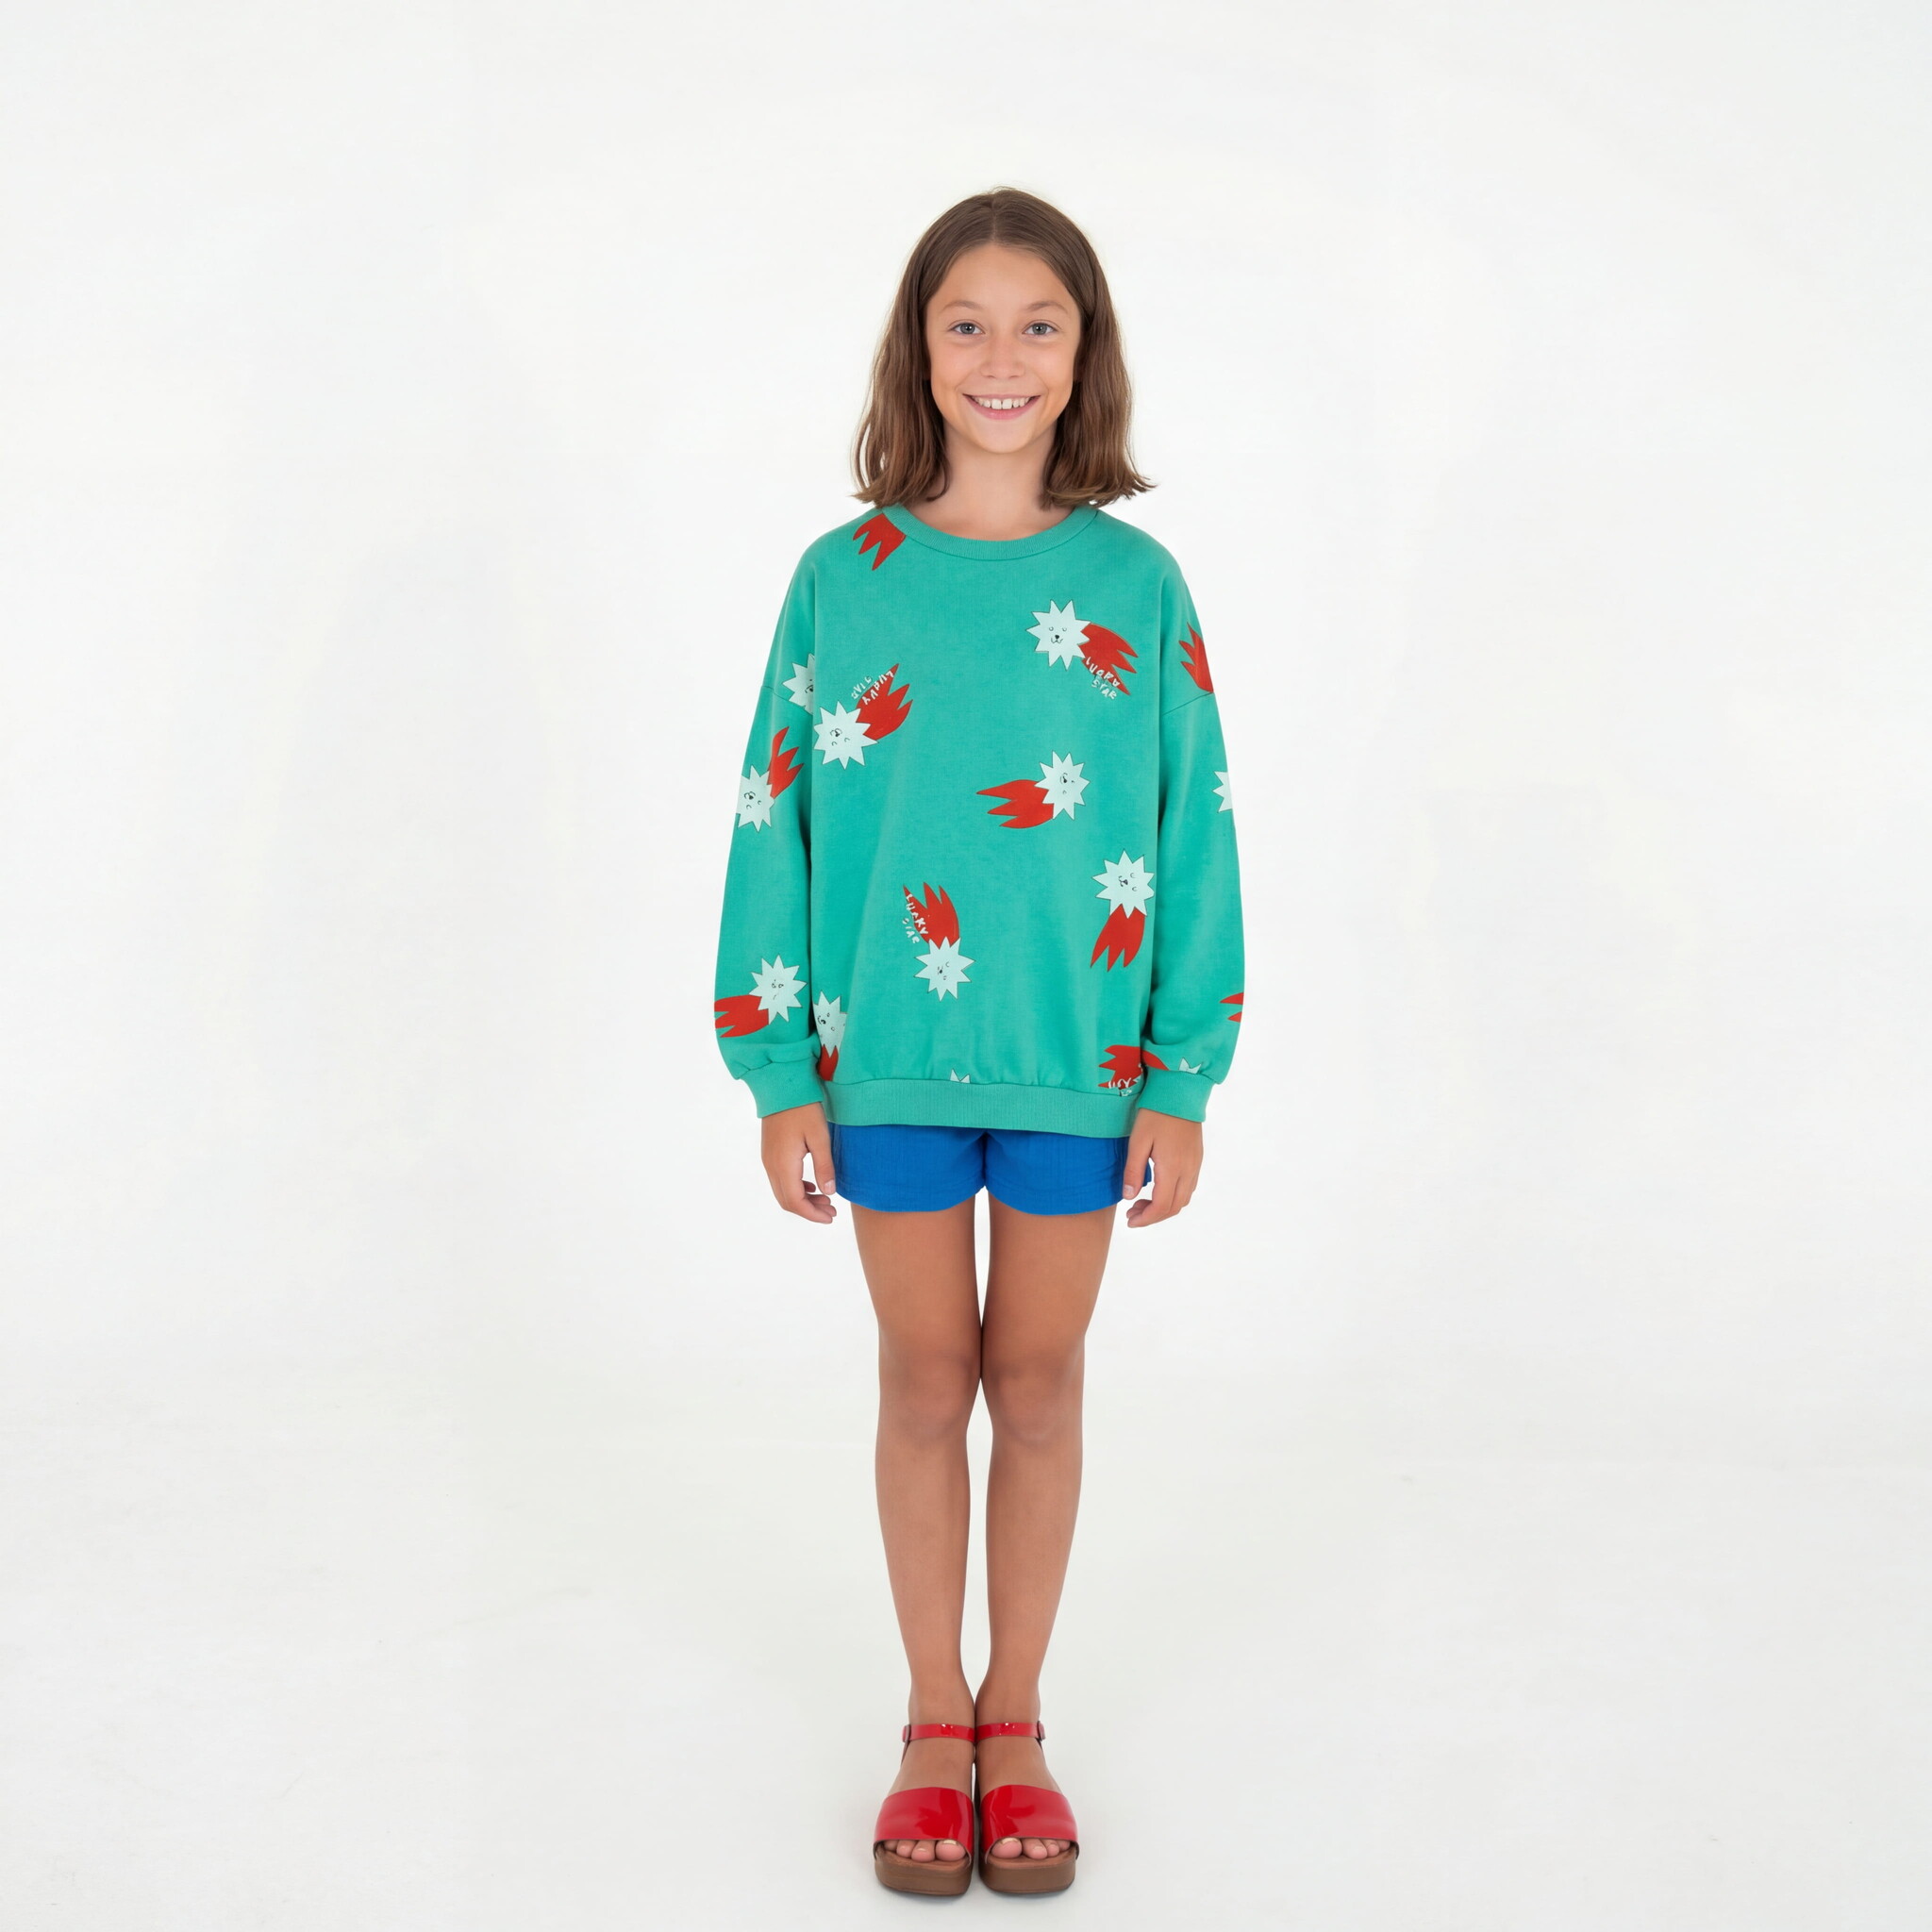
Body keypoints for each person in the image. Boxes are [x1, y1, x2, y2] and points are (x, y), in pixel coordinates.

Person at [711, 186, 1243, 1897]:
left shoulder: (1136, 585)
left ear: (1084, 353)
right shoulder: (840, 581)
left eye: (1038, 324)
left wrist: (1183, 1073)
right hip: (884, 1062)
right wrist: (778, 1068)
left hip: (1083, 1069)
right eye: (966, 322)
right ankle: (932, 1719)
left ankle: (1017, 1717)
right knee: (926, 1379)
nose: (1000, 356)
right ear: (918, 346)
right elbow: (773, 819)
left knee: (1040, 1382)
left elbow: (1192, 830)